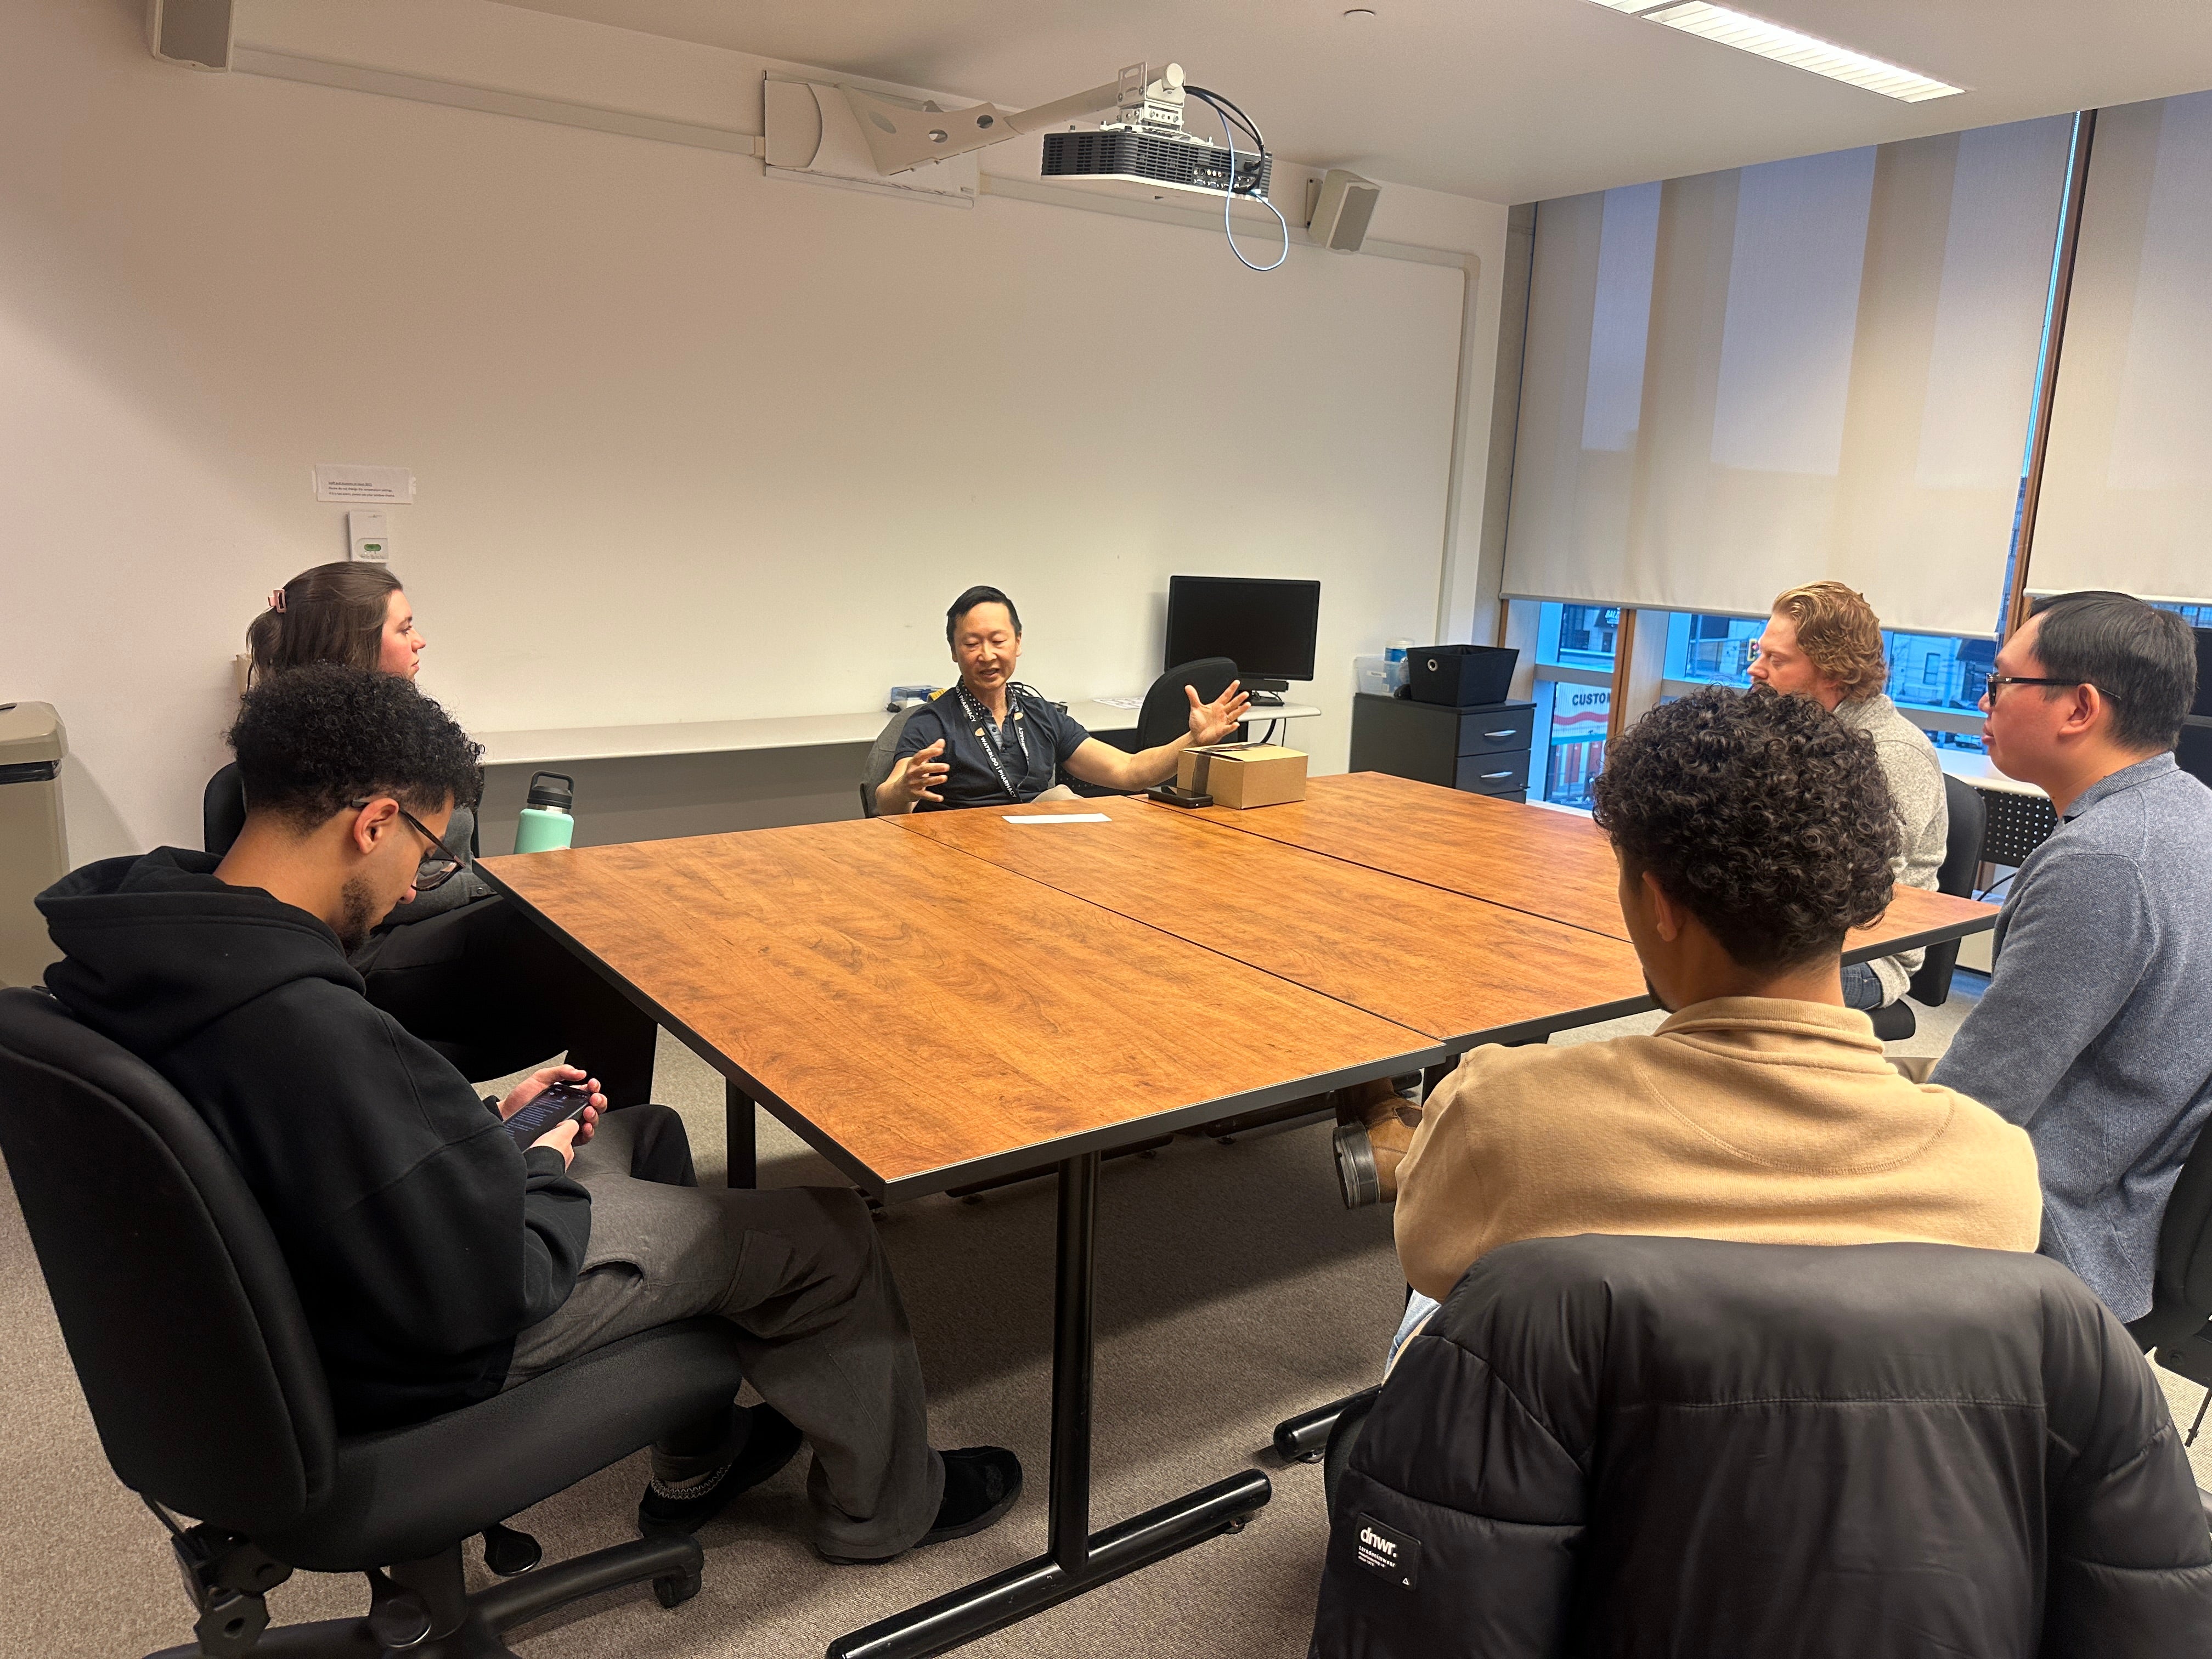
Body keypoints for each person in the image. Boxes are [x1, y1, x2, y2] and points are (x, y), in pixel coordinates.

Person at [40, 665, 1020, 1561]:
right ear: (373, 822)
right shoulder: (304, 1022)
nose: (418, 881)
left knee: (654, 1134)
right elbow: (494, 1277)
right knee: (826, 1226)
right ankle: (886, 1510)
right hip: (422, 1334)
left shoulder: (155, 928)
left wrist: (479, 1129)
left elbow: (336, 1139)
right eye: (425, 845)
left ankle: (700, 1455)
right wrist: (536, 1161)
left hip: (326, 1268)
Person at [1329, 685, 2040, 1361]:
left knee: (1432, 1313)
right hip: (1841, 1485)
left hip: (1598, 1473)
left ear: (1661, 904)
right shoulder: (1995, 1173)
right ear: (1852, 892)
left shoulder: (1502, 1112)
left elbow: (1429, 1256)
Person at [246, 563, 661, 1109]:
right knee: (614, 947)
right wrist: (499, 883)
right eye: (404, 627)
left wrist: (495, 884)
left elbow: (438, 871)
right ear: (355, 643)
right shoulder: (330, 753)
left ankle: (597, 1132)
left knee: (606, 937)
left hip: (439, 922)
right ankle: (612, 1137)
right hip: (374, 946)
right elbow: (379, 896)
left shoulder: (390, 728)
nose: (420, 639)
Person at [1932, 591, 2212, 1330]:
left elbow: (1977, 1106)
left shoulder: (2101, 861)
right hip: (2135, 1205)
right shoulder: (2191, 813)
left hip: (2058, 1240)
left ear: (2079, 708)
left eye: (2002, 682)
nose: (1985, 700)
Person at [876, 586, 1252, 814]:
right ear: (954, 652)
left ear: (1018, 643)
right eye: (972, 644)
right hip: (958, 862)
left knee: (1067, 801)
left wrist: (1193, 742)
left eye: (998, 640)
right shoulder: (931, 722)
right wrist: (904, 787)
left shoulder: (1041, 716)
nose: (987, 655)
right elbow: (888, 803)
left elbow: (1129, 772)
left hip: (1036, 860)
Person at [1748, 580, 1946, 1011]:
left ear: (1834, 673)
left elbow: (1856, 892)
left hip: (1864, 953)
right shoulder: (1790, 729)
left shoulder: (1893, 754)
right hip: (1787, 927)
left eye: (1776, 660)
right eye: (1758, 652)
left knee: (1729, 982)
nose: (1755, 670)